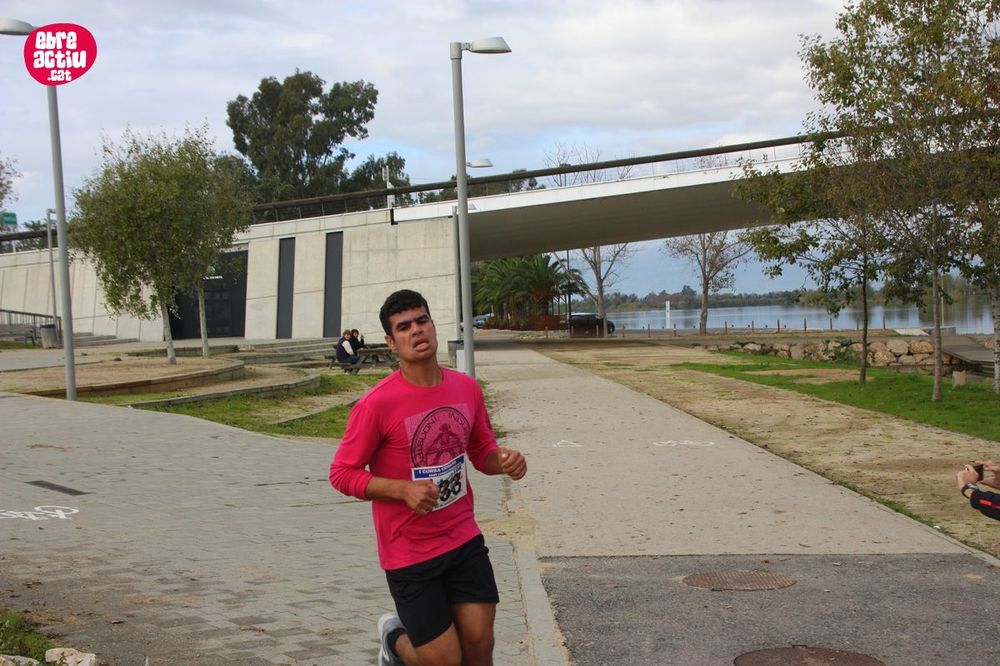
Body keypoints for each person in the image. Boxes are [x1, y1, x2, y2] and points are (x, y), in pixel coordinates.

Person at [329, 289, 527, 666]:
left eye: (422, 321)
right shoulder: (376, 405)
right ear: (391, 342)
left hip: (463, 537)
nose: (416, 331)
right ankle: (394, 642)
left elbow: (482, 452)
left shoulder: (466, 388)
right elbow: (341, 474)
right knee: (445, 660)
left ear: (434, 326)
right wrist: (401, 489)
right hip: (408, 551)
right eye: (404, 327)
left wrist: (504, 461)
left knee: (479, 645)